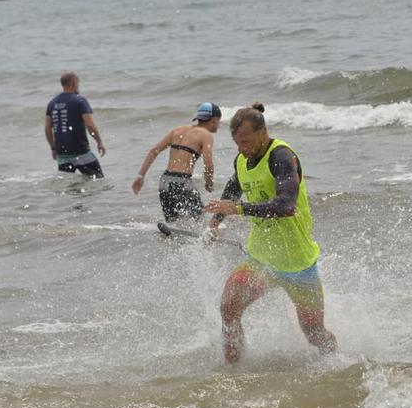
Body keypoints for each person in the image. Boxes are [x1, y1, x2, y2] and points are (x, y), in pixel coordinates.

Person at [204, 102, 337, 364]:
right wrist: (215, 221)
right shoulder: (242, 158)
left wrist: (238, 210)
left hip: (298, 264)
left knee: (314, 333)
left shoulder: (283, 157)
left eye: (247, 141)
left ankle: (338, 365)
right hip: (261, 259)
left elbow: (286, 205)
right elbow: (233, 190)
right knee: (228, 309)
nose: (243, 148)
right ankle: (233, 374)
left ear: (263, 133)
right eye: (238, 143)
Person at [131, 102, 220, 222]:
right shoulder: (206, 135)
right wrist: (209, 183)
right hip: (181, 182)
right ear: (214, 120)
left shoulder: (177, 130)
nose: (218, 125)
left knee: (172, 223)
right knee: (199, 218)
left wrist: (140, 176)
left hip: (165, 181)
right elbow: (208, 164)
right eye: (219, 121)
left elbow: (153, 151)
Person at [44, 71, 106, 178]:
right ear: (74, 82)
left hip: (63, 155)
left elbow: (47, 129)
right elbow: (90, 125)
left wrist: (53, 148)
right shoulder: (80, 101)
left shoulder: (52, 103)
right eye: (78, 82)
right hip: (81, 153)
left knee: (68, 188)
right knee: (98, 181)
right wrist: (99, 142)